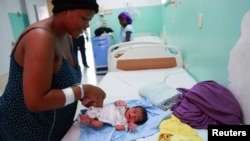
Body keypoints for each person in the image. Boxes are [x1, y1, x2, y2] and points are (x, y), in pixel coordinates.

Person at [0, 0, 106, 140]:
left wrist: (79, 95)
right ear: (66, 9)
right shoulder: (40, 37)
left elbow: (59, 84)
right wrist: (82, 90)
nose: (87, 25)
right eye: (85, 18)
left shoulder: (66, 36)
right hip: (25, 127)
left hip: (53, 125)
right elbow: (36, 101)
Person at [79, 100, 148, 132]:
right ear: (132, 107)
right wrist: (118, 102)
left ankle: (88, 120)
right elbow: (115, 103)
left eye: (135, 118)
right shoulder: (124, 106)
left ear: (134, 122)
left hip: (97, 118)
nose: (132, 115)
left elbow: (117, 128)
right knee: (98, 99)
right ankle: (88, 101)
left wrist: (125, 127)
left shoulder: (125, 123)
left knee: (99, 124)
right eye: (134, 111)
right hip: (98, 107)